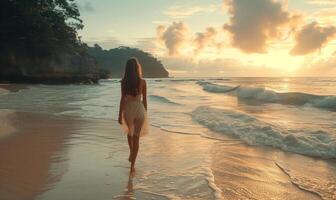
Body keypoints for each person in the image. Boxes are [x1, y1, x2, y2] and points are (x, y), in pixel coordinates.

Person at [118, 57, 148, 173]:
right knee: (136, 138)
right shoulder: (143, 82)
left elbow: (122, 99)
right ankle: (132, 166)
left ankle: (131, 152)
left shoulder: (124, 82)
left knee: (129, 134)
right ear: (137, 68)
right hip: (139, 109)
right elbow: (144, 100)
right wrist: (145, 113)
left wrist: (119, 115)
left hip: (128, 109)